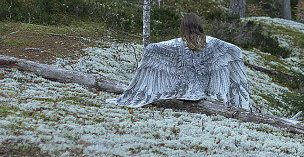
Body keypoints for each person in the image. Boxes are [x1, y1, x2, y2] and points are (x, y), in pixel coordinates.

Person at [107, 13, 251, 110]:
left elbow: (152, 48)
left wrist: (149, 51)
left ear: (183, 26)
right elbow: (235, 50)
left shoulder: (175, 45)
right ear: (199, 25)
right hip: (202, 93)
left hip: (181, 93)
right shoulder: (212, 43)